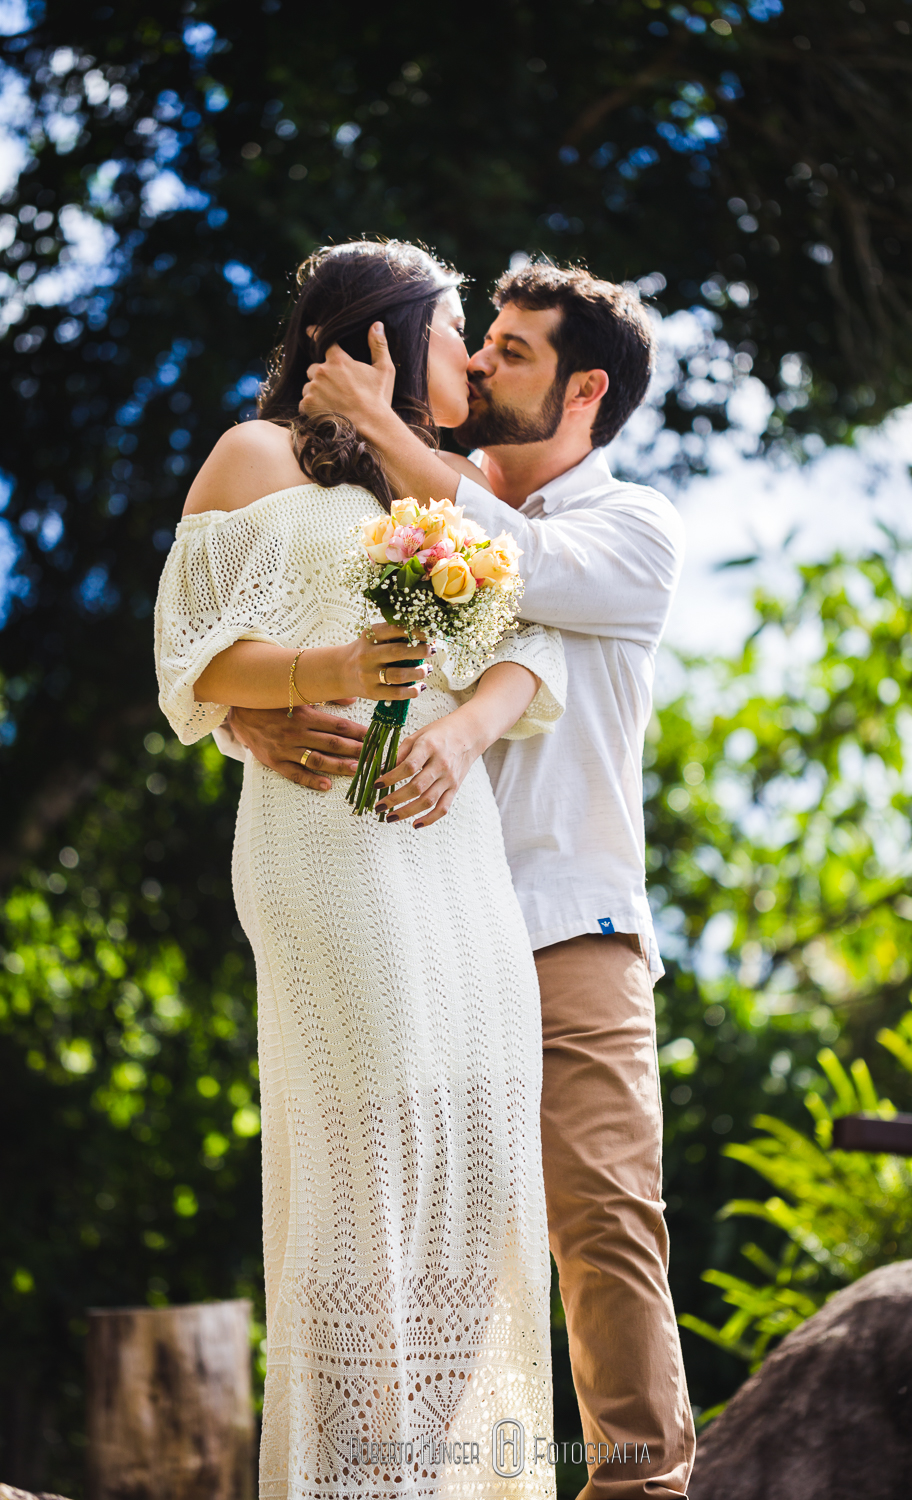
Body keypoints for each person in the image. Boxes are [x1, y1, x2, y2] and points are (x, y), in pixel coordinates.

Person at [226, 262, 697, 1499]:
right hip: (421, 923)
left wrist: (385, 427)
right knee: (426, 1222)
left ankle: (643, 1489)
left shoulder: (630, 527)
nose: (480, 363)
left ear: (586, 387)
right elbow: (296, 636)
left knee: (598, 1223)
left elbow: (519, 580)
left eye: (515, 352)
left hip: (569, 922)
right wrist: (247, 724)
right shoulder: (419, 494)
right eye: (476, 339)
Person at [153, 240, 568, 1500]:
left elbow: (537, 649)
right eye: (457, 333)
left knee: (477, 1149)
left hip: (460, 868)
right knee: (369, 1156)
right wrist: (309, 681)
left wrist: (454, 727)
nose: (475, 362)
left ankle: (449, 1479)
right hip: (331, 848)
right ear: (380, 335)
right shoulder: (254, 455)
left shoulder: (452, 486)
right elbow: (189, 650)